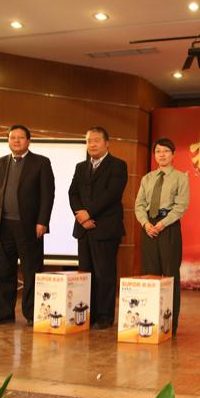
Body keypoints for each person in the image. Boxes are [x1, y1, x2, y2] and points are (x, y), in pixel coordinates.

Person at [0, 124, 55, 326]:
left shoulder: (41, 162)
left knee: (32, 272)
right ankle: (5, 314)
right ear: (8, 140)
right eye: (12, 137)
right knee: (4, 272)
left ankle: (32, 314)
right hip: (3, 226)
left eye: (20, 137)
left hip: (30, 227)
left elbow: (47, 195)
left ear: (28, 141)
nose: (16, 141)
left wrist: (42, 221)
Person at [68, 126, 128, 330]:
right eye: (88, 141)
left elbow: (112, 195)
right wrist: (81, 216)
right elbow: (73, 193)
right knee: (86, 274)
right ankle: (88, 314)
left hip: (105, 228)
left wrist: (89, 213)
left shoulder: (118, 165)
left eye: (96, 140)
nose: (91, 144)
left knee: (105, 274)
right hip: (84, 228)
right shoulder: (81, 167)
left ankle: (104, 316)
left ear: (107, 143)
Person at [134, 138, 189, 335]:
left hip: (169, 227)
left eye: (166, 151)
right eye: (158, 151)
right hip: (149, 228)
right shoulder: (147, 178)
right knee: (150, 275)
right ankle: (151, 321)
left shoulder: (181, 178)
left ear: (173, 154)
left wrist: (163, 223)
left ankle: (170, 324)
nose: (162, 154)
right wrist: (145, 224)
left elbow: (181, 206)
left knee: (170, 275)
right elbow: (139, 204)